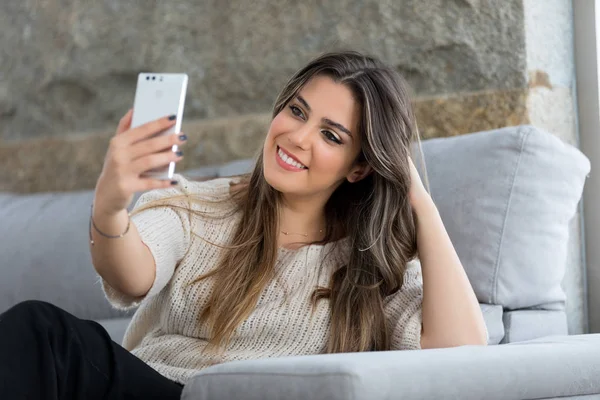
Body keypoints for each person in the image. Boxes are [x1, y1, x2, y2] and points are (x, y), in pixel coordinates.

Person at [0, 51, 487, 399]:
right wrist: (109, 205)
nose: (296, 136)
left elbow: (460, 350)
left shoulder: (374, 265)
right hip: (157, 388)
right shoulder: (198, 205)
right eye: (296, 110)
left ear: (359, 167)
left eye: (330, 135)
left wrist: (417, 198)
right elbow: (131, 275)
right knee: (42, 331)